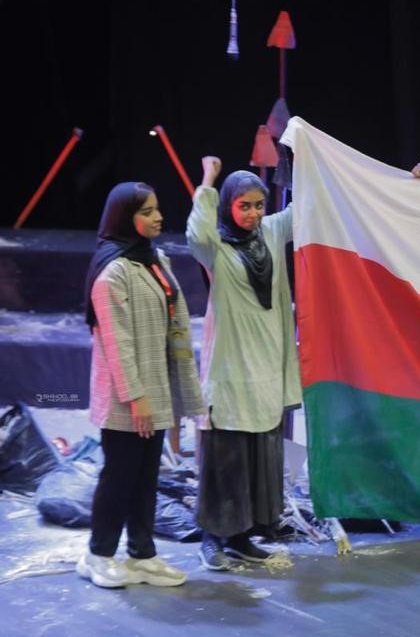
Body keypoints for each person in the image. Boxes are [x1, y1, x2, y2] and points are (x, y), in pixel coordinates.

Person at [78, 182, 204, 588]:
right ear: (124, 217)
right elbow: (117, 343)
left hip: (157, 388)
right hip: (127, 397)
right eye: (147, 211)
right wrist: (137, 398)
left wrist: (175, 389)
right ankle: (98, 555)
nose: (158, 217)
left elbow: (175, 322)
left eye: (157, 209)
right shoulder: (112, 272)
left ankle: (142, 554)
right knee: (120, 477)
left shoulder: (155, 259)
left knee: (147, 477)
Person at [187, 156, 301, 570]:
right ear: (227, 207)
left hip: (266, 364)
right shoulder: (215, 247)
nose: (253, 214)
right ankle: (213, 537)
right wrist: (208, 179)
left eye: (258, 205)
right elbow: (197, 232)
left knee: (256, 457)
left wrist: (308, 155)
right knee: (226, 456)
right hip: (231, 367)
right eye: (243, 206)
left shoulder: (271, 231)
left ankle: (242, 535)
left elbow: (306, 207)